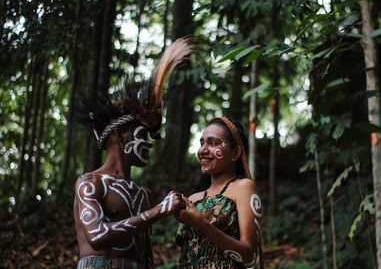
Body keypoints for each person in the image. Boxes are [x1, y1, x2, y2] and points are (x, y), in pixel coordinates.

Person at [73, 38, 192, 269]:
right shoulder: (90, 183)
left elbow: (145, 255)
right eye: (142, 135)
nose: (148, 143)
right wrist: (158, 211)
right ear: (120, 134)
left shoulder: (144, 194)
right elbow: (97, 237)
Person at [175, 117, 263, 268]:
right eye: (202, 143)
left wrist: (201, 224)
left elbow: (249, 256)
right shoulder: (193, 199)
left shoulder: (243, 188)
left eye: (213, 143)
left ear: (235, 152)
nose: (202, 150)